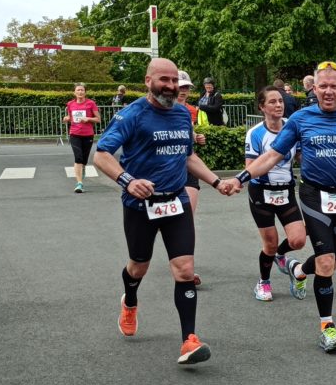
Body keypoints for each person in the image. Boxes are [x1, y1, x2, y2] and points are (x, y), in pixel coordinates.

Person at [94, 58, 236, 366]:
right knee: (138, 267)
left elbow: (188, 156)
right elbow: (102, 155)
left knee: (184, 270)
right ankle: (130, 301)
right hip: (140, 205)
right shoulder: (131, 115)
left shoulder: (182, 115)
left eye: (175, 81)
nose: (171, 86)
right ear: (148, 81)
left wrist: (216, 182)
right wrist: (128, 181)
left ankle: (189, 340)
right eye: (164, 80)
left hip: (176, 202)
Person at [231, 61, 336, 353]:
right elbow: (272, 156)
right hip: (313, 195)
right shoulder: (301, 118)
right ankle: (327, 327)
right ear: (314, 89)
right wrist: (241, 177)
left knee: (330, 263)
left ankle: (298, 271)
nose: (328, 91)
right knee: (325, 262)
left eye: (333, 86)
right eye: (322, 86)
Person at [244, 85, 307, 302]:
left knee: (298, 240)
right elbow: (250, 167)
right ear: (262, 107)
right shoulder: (255, 133)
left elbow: (301, 157)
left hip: (286, 190)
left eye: (280, 101)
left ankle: (281, 255)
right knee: (269, 244)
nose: (279, 105)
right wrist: (272, 159)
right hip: (261, 193)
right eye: (272, 102)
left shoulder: (292, 127)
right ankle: (263, 282)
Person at [176, 72, 207, 286]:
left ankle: (188, 268)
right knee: (166, 222)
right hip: (166, 171)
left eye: (186, 87)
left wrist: (196, 138)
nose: (183, 91)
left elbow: (188, 136)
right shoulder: (157, 111)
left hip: (188, 168)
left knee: (187, 219)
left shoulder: (188, 111)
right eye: (180, 87)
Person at [63, 83, 101, 194]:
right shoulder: (70, 104)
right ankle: (79, 183)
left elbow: (98, 119)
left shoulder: (91, 103)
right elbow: (70, 117)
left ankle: (83, 167)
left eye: (82, 90)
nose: (80, 92)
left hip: (88, 134)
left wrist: (88, 118)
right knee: (78, 158)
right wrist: (66, 118)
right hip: (74, 134)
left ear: (85, 92)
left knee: (84, 160)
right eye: (78, 90)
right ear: (74, 92)